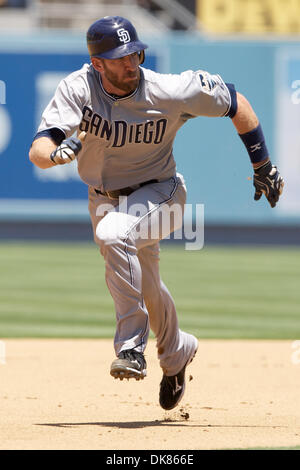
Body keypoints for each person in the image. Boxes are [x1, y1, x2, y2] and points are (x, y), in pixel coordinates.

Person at [29, 16, 284, 411]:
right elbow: (39, 149)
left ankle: (131, 348)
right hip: (104, 198)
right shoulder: (77, 87)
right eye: (120, 58)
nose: (131, 63)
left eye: (135, 53)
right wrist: (55, 155)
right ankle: (177, 351)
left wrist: (262, 165)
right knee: (147, 283)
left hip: (162, 194)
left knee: (115, 234)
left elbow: (236, 102)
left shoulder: (170, 89)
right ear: (98, 64)